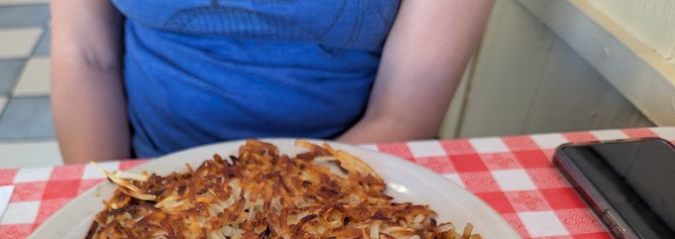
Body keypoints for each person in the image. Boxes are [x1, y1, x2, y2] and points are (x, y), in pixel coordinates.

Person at [51, 0, 494, 163]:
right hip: (148, 171)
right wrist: (105, 190)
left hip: (351, 171)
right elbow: (87, 58)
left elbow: (402, 112)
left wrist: (264, 204)